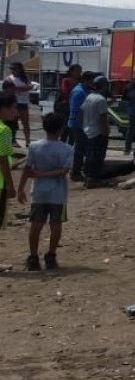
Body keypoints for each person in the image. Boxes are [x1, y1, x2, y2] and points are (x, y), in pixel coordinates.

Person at [16, 112, 73, 271]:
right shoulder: (67, 148)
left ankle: (33, 257)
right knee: (56, 225)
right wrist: (45, 174)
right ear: (61, 129)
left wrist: (21, 188)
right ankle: (51, 256)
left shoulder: (35, 146)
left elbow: (27, 170)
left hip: (39, 191)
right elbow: (64, 171)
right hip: (58, 193)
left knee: (36, 225)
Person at [79, 76, 112, 188]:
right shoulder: (101, 99)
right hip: (98, 132)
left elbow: (81, 112)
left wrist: (84, 125)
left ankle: (88, 177)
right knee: (97, 157)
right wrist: (106, 132)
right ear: (103, 86)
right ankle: (94, 179)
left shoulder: (90, 96)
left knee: (89, 155)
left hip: (88, 131)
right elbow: (103, 118)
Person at [68, 71, 94, 181]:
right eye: (91, 81)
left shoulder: (86, 90)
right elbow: (76, 111)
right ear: (85, 80)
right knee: (79, 149)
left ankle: (78, 170)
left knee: (83, 149)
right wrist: (84, 125)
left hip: (83, 124)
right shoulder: (79, 92)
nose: (92, 83)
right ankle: (75, 172)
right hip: (79, 125)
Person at [7, 62, 33, 147]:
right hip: (13, 103)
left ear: (20, 69)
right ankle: (13, 140)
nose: (12, 70)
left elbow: (30, 86)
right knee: (12, 123)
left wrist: (17, 89)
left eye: (14, 68)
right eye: (11, 69)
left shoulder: (26, 77)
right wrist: (24, 88)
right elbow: (10, 89)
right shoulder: (9, 78)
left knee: (25, 123)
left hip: (23, 103)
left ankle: (28, 141)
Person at [0, 97, 15, 235]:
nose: (14, 111)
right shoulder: (4, 130)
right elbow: (3, 159)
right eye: (12, 108)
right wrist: (10, 185)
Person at [1, 80, 19, 147]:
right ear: (5, 88)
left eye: (13, 88)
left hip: (11, 118)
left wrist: (16, 114)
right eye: (10, 88)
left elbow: (15, 106)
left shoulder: (13, 96)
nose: (12, 89)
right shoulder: (1, 96)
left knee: (13, 128)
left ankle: (13, 140)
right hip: (4, 118)